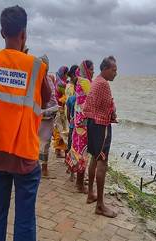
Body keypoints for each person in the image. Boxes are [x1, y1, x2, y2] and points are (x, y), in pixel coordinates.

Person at [0, 5, 51, 241]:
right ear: (24, 34)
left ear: (1, 32)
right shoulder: (37, 66)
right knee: (25, 220)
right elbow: (46, 99)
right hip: (25, 155)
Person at [84, 56, 118, 218]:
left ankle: (91, 193)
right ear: (105, 69)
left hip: (92, 123)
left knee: (93, 158)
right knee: (102, 163)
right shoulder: (103, 84)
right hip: (101, 126)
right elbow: (110, 107)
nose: (115, 73)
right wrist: (114, 115)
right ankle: (100, 205)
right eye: (114, 70)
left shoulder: (96, 81)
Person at [65, 60, 94, 193]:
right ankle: (79, 185)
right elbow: (92, 100)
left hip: (78, 122)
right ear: (87, 70)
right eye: (92, 69)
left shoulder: (78, 82)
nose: (93, 72)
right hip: (84, 124)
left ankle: (79, 181)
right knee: (83, 154)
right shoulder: (86, 82)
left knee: (78, 150)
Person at [38, 55, 58, 178]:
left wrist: (53, 109)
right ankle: (40, 168)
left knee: (45, 142)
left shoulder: (48, 80)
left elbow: (52, 98)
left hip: (48, 116)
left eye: (44, 65)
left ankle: (44, 168)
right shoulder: (36, 80)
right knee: (38, 142)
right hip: (38, 116)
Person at [52, 66, 69, 158]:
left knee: (58, 130)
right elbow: (66, 95)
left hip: (56, 108)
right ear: (63, 74)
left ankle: (57, 150)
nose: (67, 76)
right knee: (62, 130)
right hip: (60, 109)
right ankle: (60, 151)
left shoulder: (56, 82)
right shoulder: (62, 84)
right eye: (66, 74)